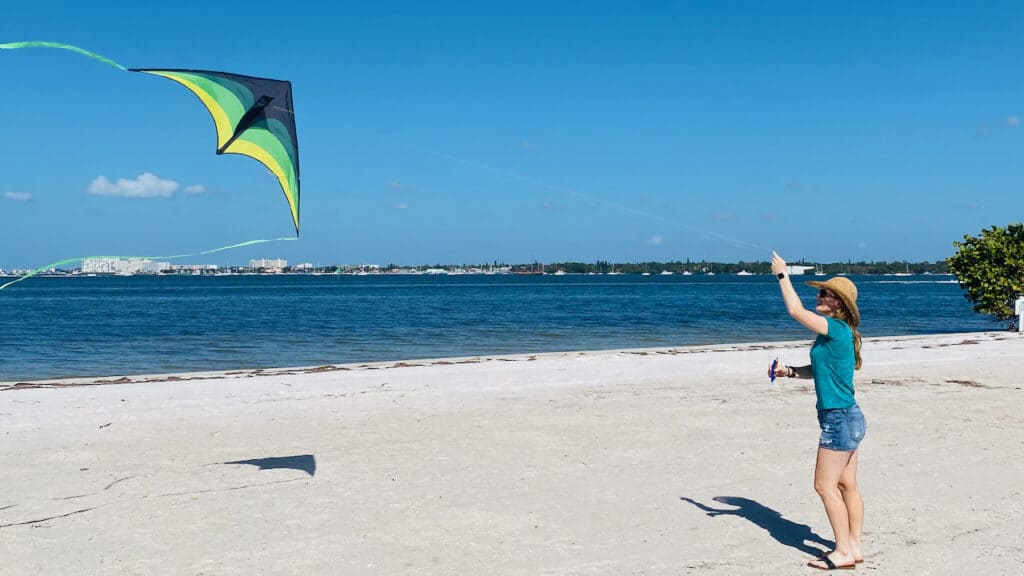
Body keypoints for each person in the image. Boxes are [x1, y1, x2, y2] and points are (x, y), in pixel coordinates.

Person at [770, 251, 866, 571]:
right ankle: (854, 546)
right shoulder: (837, 335)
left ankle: (842, 552)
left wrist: (782, 275)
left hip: (839, 418)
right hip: (849, 416)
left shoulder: (835, 329)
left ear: (838, 303)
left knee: (824, 486)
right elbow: (819, 369)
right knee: (846, 485)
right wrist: (791, 372)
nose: (819, 295)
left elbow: (795, 310)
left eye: (824, 293)